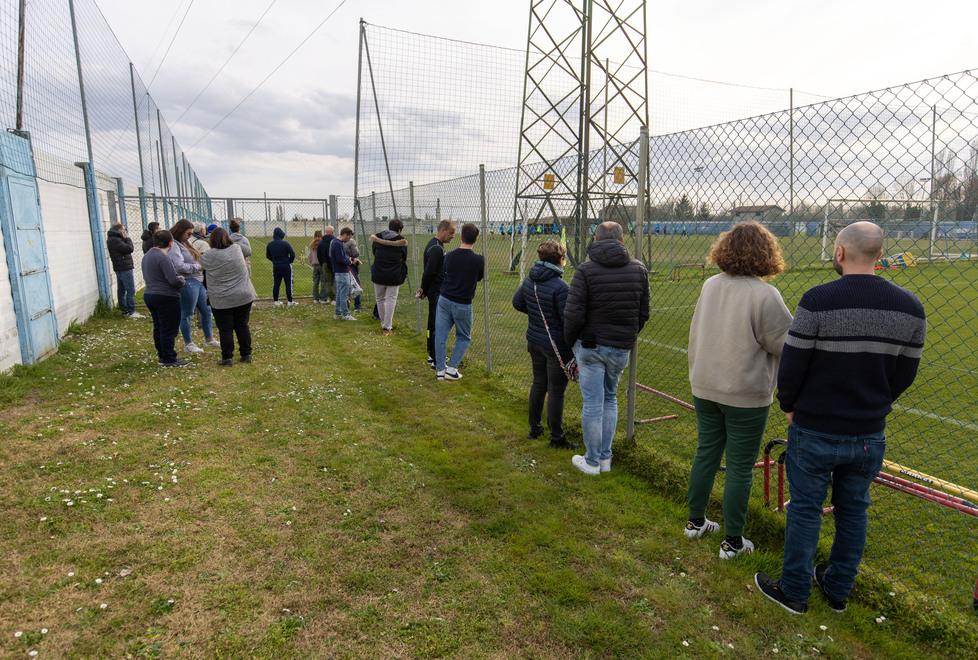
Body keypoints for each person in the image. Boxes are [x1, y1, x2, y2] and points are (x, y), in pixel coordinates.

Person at [755, 222, 926, 615]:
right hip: (868, 432)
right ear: (880, 256)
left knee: (804, 508)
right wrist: (876, 402)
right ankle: (836, 588)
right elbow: (905, 374)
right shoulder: (911, 308)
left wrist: (789, 404)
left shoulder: (818, 300)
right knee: (853, 511)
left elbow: (793, 364)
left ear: (841, 253)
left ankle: (794, 590)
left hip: (815, 427)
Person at [684, 223, 793, 559]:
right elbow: (785, 344)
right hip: (744, 393)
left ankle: (695, 522)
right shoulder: (764, 294)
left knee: (706, 453)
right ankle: (732, 541)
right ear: (766, 253)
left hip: (705, 385)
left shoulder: (710, 285)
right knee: (740, 466)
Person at [563, 221, 649, 476]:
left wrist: (571, 342)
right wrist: (627, 335)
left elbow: (573, 314)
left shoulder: (585, 270)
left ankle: (591, 461)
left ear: (596, 240)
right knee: (610, 398)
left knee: (593, 402)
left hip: (590, 346)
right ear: (622, 240)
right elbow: (643, 313)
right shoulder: (639, 269)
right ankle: (604, 458)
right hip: (620, 347)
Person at [512, 240, 573, 449]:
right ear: (560, 259)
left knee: (539, 384)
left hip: (534, 341)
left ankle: (535, 428)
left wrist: (538, 316)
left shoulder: (530, 280)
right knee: (556, 391)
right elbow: (568, 321)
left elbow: (518, 302)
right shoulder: (561, 287)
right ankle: (556, 437)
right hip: (554, 346)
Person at [434, 223, 484, 381]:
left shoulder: (448, 255)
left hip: (444, 299)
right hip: (462, 303)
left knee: (440, 335)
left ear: (461, 236)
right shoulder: (478, 260)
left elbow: (446, 273)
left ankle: (440, 370)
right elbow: (479, 277)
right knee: (463, 336)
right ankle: (452, 367)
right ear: (476, 239)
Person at [200, 228, 257, 366]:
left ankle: (227, 357)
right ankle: (246, 354)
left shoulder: (208, 256)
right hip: (243, 295)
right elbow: (247, 250)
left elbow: (200, 262)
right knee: (242, 325)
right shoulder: (236, 249)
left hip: (221, 299)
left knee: (225, 329)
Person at [169, 219, 217, 354]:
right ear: (180, 231)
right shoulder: (174, 245)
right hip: (188, 282)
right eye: (188, 233)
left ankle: (209, 338)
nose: (190, 236)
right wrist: (197, 266)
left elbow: (192, 257)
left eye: (191, 234)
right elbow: (179, 266)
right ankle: (188, 343)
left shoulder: (185, 242)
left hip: (198, 281)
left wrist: (200, 257)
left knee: (206, 310)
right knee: (187, 313)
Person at [141, 230, 187, 367]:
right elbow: (172, 280)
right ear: (170, 243)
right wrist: (182, 280)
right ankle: (169, 357)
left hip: (150, 294)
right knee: (169, 328)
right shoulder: (163, 257)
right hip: (166, 296)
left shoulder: (147, 256)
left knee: (158, 326)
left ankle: (162, 354)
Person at [418, 220, 456, 368]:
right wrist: (423, 290)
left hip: (435, 292)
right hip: (436, 293)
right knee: (436, 326)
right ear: (443, 230)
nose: (453, 236)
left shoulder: (437, 245)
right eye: (451, 232)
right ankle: (435, 358)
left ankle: (431, 354)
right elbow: (429, 272)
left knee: (432, 325)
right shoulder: (436, 248)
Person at [369, 219, 409, 335]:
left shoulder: (378, 238)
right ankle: (387, 327)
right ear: (399, 229)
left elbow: (374, 252)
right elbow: (404, 257)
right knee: (391, 299)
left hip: (378, 272)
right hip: (394, 274)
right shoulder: (401, 241)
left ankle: (384, 324)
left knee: (380, 299)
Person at [106, 223, 142, 319]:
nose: (125, 231)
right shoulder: (116, 240)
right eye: (123, 230)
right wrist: (127, 238)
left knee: (121, 290)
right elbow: (129, 248)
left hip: (120, 267)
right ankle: (131, 311)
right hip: (124, 267)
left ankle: (124, 310)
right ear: (119, 230)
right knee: (130, 290)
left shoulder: (113, 239)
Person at [330, 227, 357, 321]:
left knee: (339, 293)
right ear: (345, 234)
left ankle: (338, 313)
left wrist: (347, 258)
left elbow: (342, 256)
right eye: (349, 237)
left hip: (339, 272)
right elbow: (340, 259)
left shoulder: (335, 242)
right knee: (343, 295)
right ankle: (345, 314)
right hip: (342, 272)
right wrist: (349, 262)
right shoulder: (337, 244)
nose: (349, 239)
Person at [265, 227, 297, 306]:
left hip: (276, 266)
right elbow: (292, 254)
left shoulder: (270, 244)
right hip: (286, 265)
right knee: (288, 283)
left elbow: (268, 256)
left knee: (276, 284)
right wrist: (289, 261)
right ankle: (290, 301)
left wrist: (274, 261)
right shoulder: (285, 243)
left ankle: (276, 301)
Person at [316, 225, 336, 304]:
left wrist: (322, 263)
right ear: (332, 232)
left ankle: (329, 298)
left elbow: (319, 255)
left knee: (327, 282)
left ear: (325, 232)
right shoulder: (335, 241)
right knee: (335, 281)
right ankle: (334, 298)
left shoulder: (321, 242)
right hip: (334, 263)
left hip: (325, 264)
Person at [345, 232, 363, 313]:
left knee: (345, 286)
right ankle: (357, 306)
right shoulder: (351, 242)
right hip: (351, 266)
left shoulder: (338, 242)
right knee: (356, 285)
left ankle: (346, 305)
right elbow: (356, 253)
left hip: (343, 266)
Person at [308, 231, 325, 303]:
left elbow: (310, 256)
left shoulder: (312, 245)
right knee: (323, 281)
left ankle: (315, 298)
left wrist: (311, 261)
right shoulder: (322, 244)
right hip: (321, 264)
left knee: (315, 282)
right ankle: (322, 298)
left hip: (315, 265)